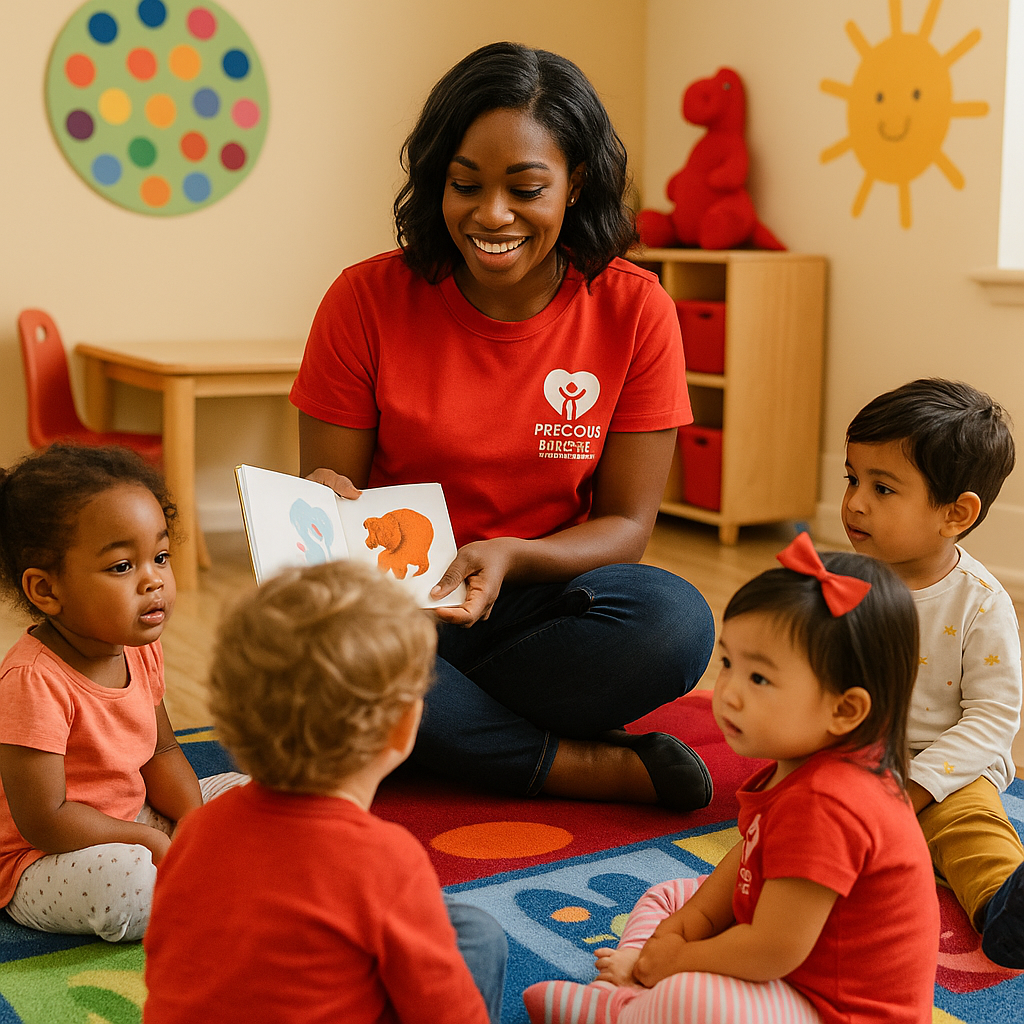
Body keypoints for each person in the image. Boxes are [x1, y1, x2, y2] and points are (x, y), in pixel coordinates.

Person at [290, 41, 716, 810]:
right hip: (400, 613)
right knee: (313, 641)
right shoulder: (362, 301)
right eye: (464, 185)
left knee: (674, 621)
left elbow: (627, 523)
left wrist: (512, 558)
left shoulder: (634, 308)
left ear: (575, 183)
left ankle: (414, 730)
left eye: (526, 188)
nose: (492, 216)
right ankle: (568, 766)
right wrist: (318, 498)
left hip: (539, 598)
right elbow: (329, 503)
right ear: (436, 182)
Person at [523, 533, 940, 1024]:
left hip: (833, 1010)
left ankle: (621, 1007)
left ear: (844, 709)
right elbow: (747, 855)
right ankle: (632, 992)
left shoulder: (831, 803)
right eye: (728, 663)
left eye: (759, 678)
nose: (729, 693)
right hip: (789, 971)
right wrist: (680, 930)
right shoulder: (804, 763)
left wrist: (676, 960)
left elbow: (770, 952)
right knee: (670, 896)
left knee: (693, 998)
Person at [143, 560, 504, 1024]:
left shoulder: (196, 831)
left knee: (466, 927)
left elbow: (170, 966)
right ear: (403, 728)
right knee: (482, 939)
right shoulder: (385, 860)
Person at [0, 443, 244, 942]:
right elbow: (45, 819)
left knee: (257, 799)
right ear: (46, 590)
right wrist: (147, 839)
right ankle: (204, 890)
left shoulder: (136, 647)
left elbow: (163, 751)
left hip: (135, 818)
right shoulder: (32, 681)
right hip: (46, 856)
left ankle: (202, 877)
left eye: (159, 556)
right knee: (130, 887)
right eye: (121, 567)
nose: (154, 580)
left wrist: (194, 825)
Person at [844, 377, 1023, 969]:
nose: (855, 502)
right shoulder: (842, 579)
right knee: (793, 809)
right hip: (855, 755)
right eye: (852, 479)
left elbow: (993, 720)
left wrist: (915, 787)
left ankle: (1003, 908)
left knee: (970, 831)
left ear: (956, 513)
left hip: (946, 770)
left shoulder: (980, 601)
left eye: (883, 487)